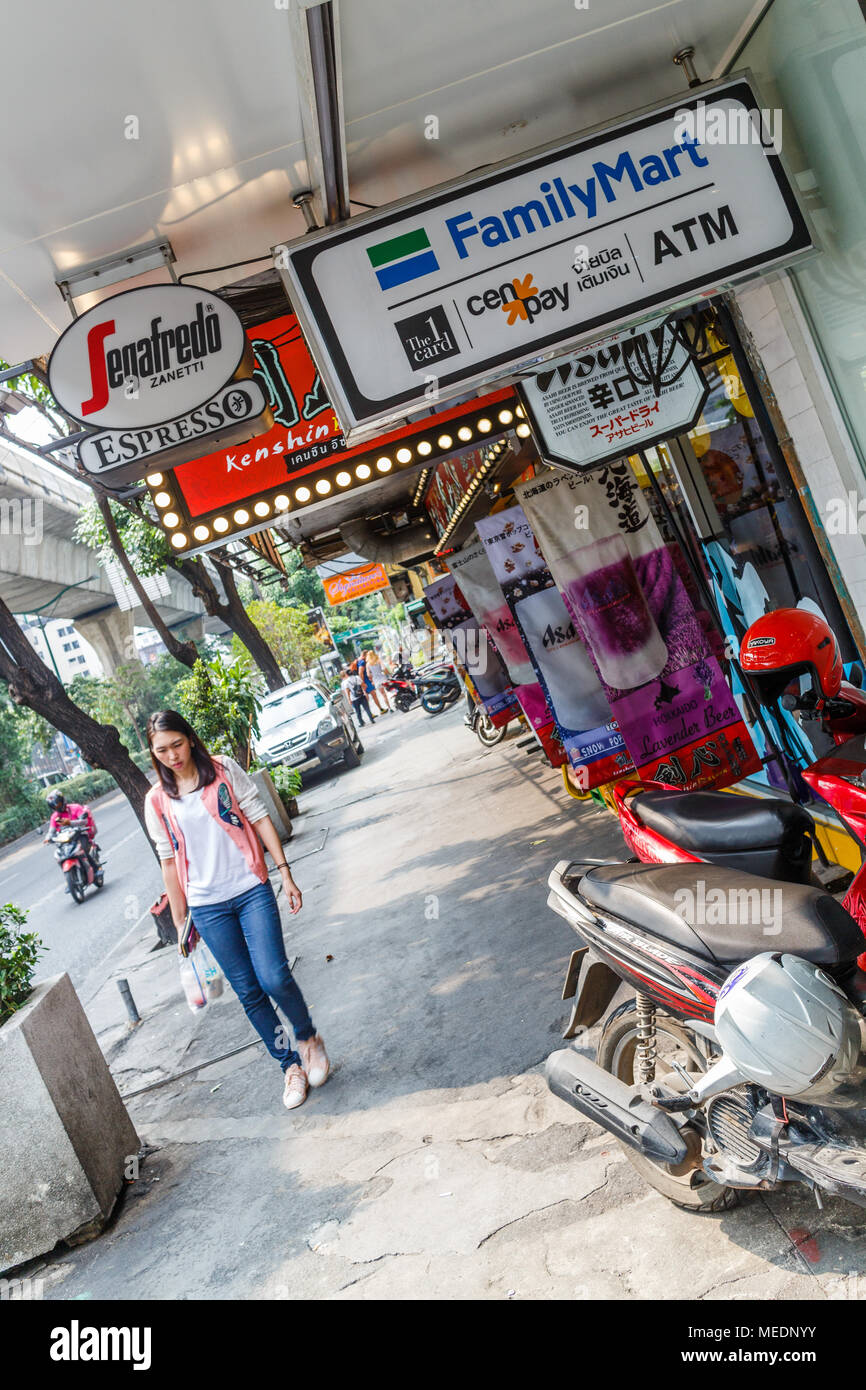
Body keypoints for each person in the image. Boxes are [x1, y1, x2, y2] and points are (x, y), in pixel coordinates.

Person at [143, 710, 329, 1111]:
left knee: (274, 976)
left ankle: (309, 1038)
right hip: (207, 907)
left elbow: (259, 815)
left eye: (176, 744)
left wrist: (285, 873)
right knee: (248, 991)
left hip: (250, 889)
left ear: (189, 738)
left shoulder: (222, 769)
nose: (172, 755)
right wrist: (180, 924)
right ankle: (289, 1067)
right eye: (161, 750)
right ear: (153, 753)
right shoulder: (157, 801)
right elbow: (169, 862)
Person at [45, 790, 101, 885]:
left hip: (80, 836)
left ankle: (96, 869)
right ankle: (69, 879)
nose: (56, 807)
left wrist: (70, 823)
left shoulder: (75, 808)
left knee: (83, 850)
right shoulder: (54, 817)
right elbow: (51, 830)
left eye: (57, 804)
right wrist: (48, 838)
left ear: (62, 800)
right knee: (59, 856)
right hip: (66, 841)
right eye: (54, 806)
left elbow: (84, 821)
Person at [365, 648, 390, 713]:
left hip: (376, 681)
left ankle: (389, 708)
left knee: (383, 695)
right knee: (389, 691)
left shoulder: (368, 664)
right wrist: (387, 673)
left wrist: (372, 677)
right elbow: (384, 668)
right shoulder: (378, 660)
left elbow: (368, 675)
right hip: (383, 678)